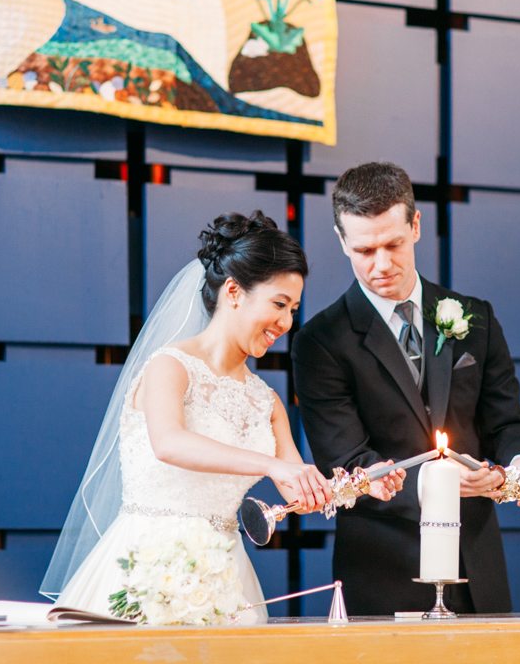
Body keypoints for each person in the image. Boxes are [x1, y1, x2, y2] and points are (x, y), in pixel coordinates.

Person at [41, 210, 406, 621]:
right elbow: (169, 443)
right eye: (279, 304)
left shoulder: (266, 400)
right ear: (233, 291)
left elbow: (296, 489)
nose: (286, 323)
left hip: (224, 575)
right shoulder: (169, 367)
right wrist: (270, 466)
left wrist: (359, 486)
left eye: (293, 309)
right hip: (146, 565)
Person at [293, 162, 520, 615]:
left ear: (416, 226)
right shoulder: (320, 341)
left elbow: (508, 421)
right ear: (341, 242)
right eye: (363, 249)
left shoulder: (476, 318)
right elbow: (347, 462)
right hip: (383, 568)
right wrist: (442, 482)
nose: (381, 265)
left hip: (477, 562)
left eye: (393, 244)